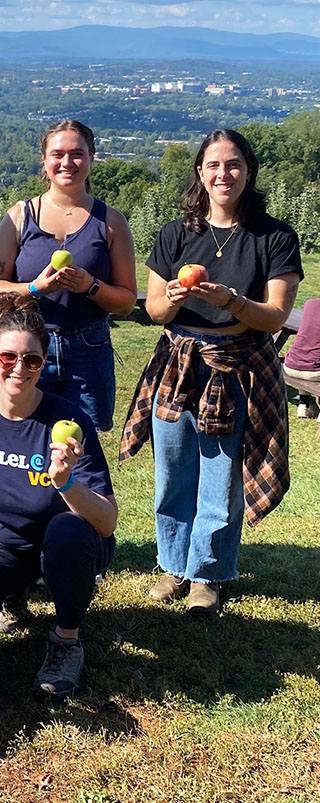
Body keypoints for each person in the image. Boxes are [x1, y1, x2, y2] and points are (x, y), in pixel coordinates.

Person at [120, 129, 302, 617]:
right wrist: (171, 299)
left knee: (220, 477)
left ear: (249, 171)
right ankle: (173, 563)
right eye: (214, 165)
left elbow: (275, 316)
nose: (224, 174)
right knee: (173, 471)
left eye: (234, 164)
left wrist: (232, 301)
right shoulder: (176, 234)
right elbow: (154, 311)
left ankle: (207, 574)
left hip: (237, 367)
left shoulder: (274, 236)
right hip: (178, 364)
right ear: (200, 172)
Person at [0, 293, 117, 699]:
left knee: (67, 532)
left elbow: (106, 522)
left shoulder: (68, 420)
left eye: (31, 360)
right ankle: (12, 592)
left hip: (67, 545)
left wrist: (66, 483)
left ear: (43, 362)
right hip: (1, 544)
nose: (19, 368)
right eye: (8, 357)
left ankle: (66, 641)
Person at [0, 119, 137, 433]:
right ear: (44, 160)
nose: (67, 162)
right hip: (28, 346)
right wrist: (34, 288)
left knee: (84, 442)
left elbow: (126, 301)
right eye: (58, 154)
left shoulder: (111, 222)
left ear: (92, 158)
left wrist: (90, 286)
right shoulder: (20, 216)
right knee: (26, 435)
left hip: (89, 349)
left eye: (77, 154)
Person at [283, 297, 320, 429]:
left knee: (308, 355)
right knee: (313, 361)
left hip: (291, 365)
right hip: (314, 372)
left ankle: (304, 403)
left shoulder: (311, 303)